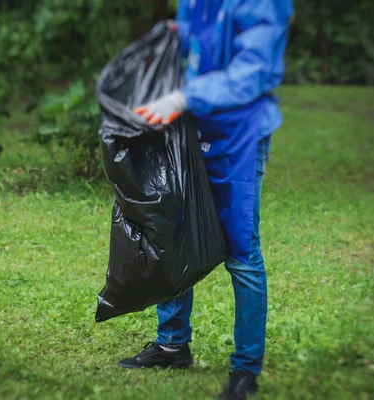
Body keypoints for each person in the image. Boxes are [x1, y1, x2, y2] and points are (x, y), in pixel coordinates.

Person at [120, 0, 293, 399]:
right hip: (191, 126)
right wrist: (173, 39)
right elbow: (194, 42)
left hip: (241, 132)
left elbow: (254, 69)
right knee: (176, 232)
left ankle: (246, 369)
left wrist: (182, 97)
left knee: (242, 250)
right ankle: (172, 344)